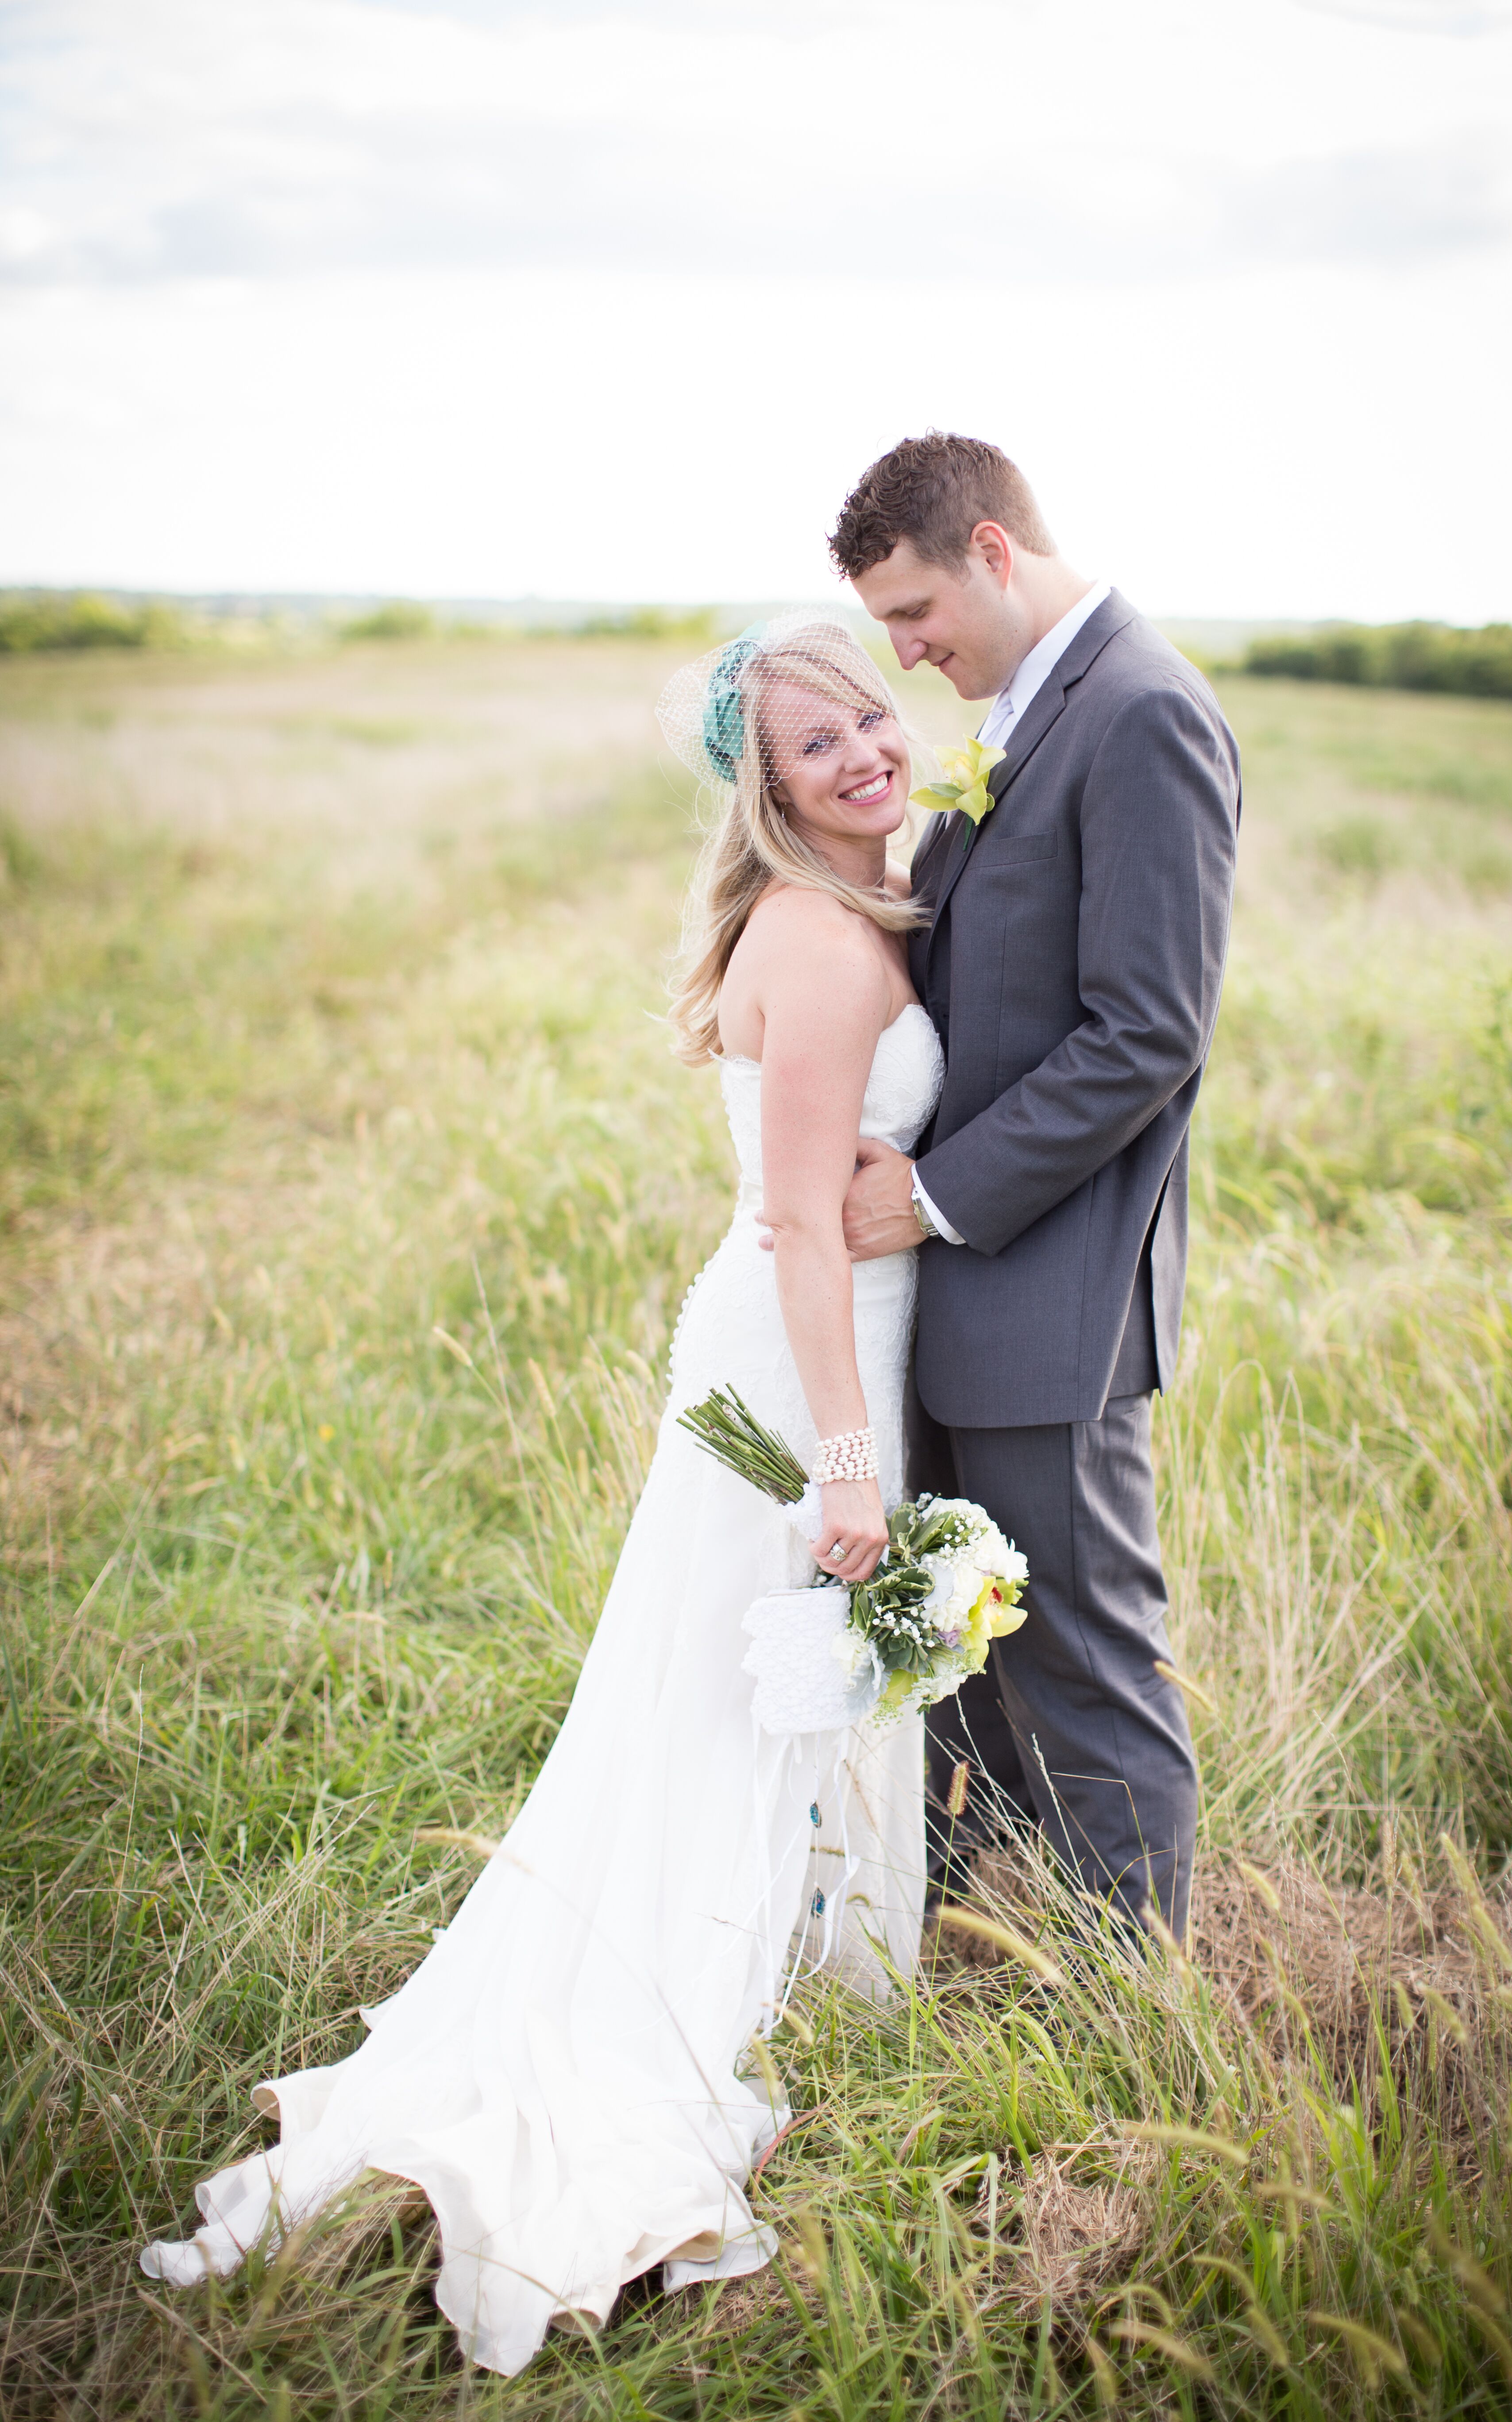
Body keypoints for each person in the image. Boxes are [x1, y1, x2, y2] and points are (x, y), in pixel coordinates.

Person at [139, 615, 944, 2373]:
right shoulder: (814, 939)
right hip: (805, 1361)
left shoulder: (877, 902)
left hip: (826, 1339)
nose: (866, 753)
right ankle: (683, 2004)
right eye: (819, 747)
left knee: (758, 1685)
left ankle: (804, 1966)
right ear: (772, 788)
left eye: (872, 712)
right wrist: (852, 1463)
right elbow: (803, 1217)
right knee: (735, 1693)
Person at [829, 432, 1241, 1943]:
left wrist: (929, 1198)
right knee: (968, 1658)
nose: (907, 651)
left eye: (916, 611)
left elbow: (1148, 1030)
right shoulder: (1030, 707)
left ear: (994, 550)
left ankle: (1138, 2008)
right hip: (966, 1294)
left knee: (1083, 1660)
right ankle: (991, 1944)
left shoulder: (1141, 713)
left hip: (1052, 1294)